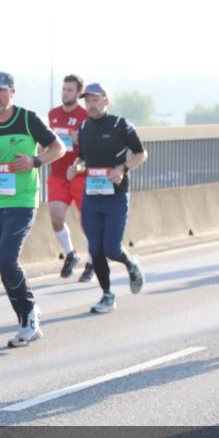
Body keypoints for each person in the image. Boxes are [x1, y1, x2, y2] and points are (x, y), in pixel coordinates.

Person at [0, 72, 65, 346]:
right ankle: (26, 318)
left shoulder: (27, 119)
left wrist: (35, 161)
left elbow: (58, 147)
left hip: (22, 202)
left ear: (12, 92)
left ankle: (28, 313)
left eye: (1, 91)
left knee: (6, 260)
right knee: (3, 266)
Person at [67, 83, 147, 314]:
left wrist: (122, 168)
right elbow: (82, 158)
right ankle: (107, 295)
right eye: (87, 101)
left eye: (95, 100)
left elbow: (142, 154)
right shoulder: (84, 128)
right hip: (92, 196)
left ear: (105, 101)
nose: (90, 105)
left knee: (112, 249)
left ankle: (131, 264)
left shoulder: (121, 125)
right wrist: (76, 167)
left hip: (115, 196)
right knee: (96, 250)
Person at [47, 74, 94, 282]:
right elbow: (49, 141)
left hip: (79, 174)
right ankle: (71, 254)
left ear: (78, 93)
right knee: (56, 218)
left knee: (87, 223)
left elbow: (95, 147)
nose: (65, 93)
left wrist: (81, 139)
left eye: (70, 90)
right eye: (64, 89)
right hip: (58, 174)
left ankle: (92, 262)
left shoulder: (85, 116)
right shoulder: (53, 114)